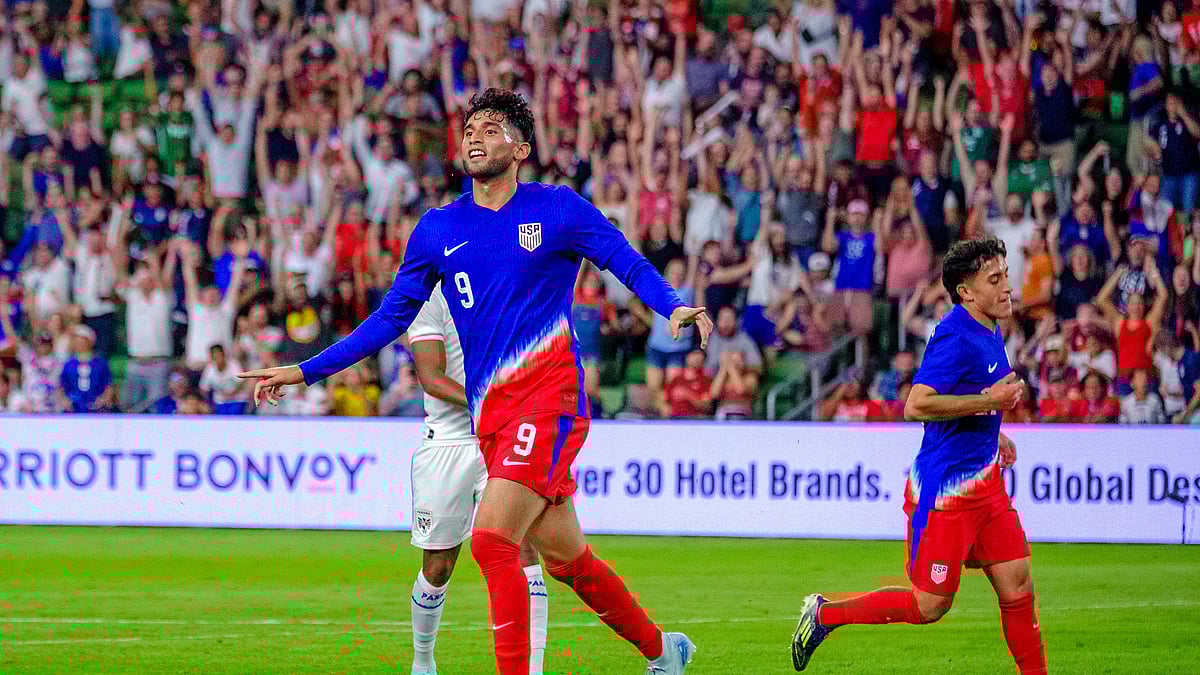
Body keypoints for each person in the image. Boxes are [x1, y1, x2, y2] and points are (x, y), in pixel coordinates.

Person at [239, 89, 710, 675]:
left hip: (551, 401)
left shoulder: (559, 208)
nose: (475, 135)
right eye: (470, 128)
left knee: (491, 540)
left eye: (491, 128)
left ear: (521, 148)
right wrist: (304, 369)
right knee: (569, 562)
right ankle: (665, 651)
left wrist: (671, 305)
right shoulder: (438, 229)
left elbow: (622, 258)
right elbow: (390, 319)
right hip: (494, 417)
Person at [791, 238, 1046, 674]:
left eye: (1005, 276)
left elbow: (972, 397)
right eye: (995, 279)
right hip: (945, 494)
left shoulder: (991, 325)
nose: (1008, 287)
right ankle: (824, 614)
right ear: (966, 292)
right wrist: (988, 403)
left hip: (985, 485)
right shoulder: (954, 337)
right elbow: (916, 404)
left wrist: (993, 431)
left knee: (1017, 583)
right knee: (930, 605)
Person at [404, 282, 549, 674]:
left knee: (522, 549)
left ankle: (531, 671)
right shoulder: (427, 295)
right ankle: (423, 662)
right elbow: (431, 377)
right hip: (447, 444)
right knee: (438, 567)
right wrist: (492, 395)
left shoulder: (502, 279)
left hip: (502, 437)